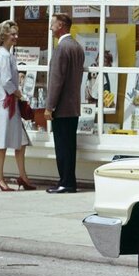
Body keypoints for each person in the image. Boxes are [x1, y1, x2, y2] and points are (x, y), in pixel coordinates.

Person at [0, 19, 36, 191]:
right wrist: (21, 96)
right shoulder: (3, 56)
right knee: (2, 142)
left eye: (16, 34)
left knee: (21, 141)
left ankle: (23, 176)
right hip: (5, 105)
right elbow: (7, 81)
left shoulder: (7, 55)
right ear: (3, 36)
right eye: (12, 34)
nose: (16, 37)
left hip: (9, 105)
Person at [44, 12, 85, 194]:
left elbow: (56, 81)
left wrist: (49, 107)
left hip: (61, 107)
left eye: (52, 24)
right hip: (73, 106)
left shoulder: (61, 48)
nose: (50, 28)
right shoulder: (77, 47)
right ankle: (69, 181)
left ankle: (65, 183)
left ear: (60, 25)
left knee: (62, 147)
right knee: (69, 147)